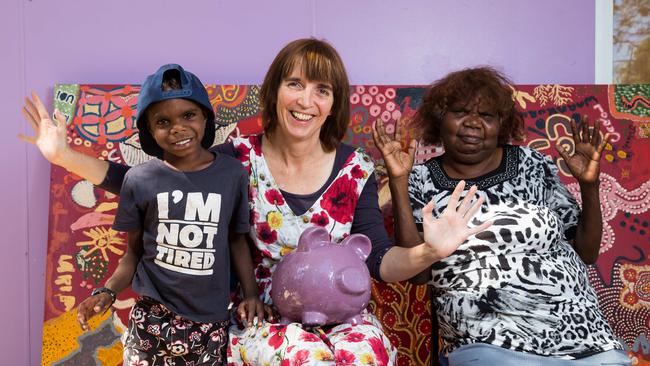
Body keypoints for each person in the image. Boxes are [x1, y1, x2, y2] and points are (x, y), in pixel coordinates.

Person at [20, 39, 489, 365]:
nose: (307, 100)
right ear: (275, 91)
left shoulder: (356, 169)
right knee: (305, 360)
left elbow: (380, 261)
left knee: (369, 354)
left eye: (322, 90)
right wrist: (63, 156)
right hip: (258, 314)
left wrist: (430, 251)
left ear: (333, 103)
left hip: (341, 315)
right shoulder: (233, 160)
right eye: (296, 84)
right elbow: (142, 182)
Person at [372, 66, 630, 366]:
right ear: (439, 120)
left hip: (579, 332)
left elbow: (586, 252)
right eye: (461, 112)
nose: (473, 123)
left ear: (501, 124)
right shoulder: (421, 180)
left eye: (486, 115)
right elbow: (418, 274)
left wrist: (589, 185)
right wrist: (399, 183)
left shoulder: (533, 165)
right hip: (487, 337)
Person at [24, 64, 267, 365]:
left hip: (210, 324)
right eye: (163, 121)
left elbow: (236, 240)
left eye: (188, 115)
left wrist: (251, 294)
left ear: (205, 116)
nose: (177, 127)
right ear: (150, 131)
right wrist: (108, 291)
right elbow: (133, 254)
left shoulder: (231, 174)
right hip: (151, 321)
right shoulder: (139, 180)